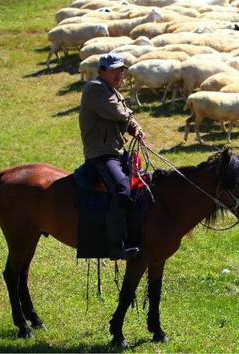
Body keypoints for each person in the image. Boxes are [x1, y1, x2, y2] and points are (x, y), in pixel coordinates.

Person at [78, 53, 144, 260]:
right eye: (114, 70)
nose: (119, 74)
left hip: (116, 152)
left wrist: (136, 128)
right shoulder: (95, 88)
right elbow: (116, 113)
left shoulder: (112, 91)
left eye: (121, 70)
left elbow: (123, 115)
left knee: (141, 186)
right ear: (102, 71)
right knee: (121, 190)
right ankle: (116, 247)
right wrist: (131, 116)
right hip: (101, 154)